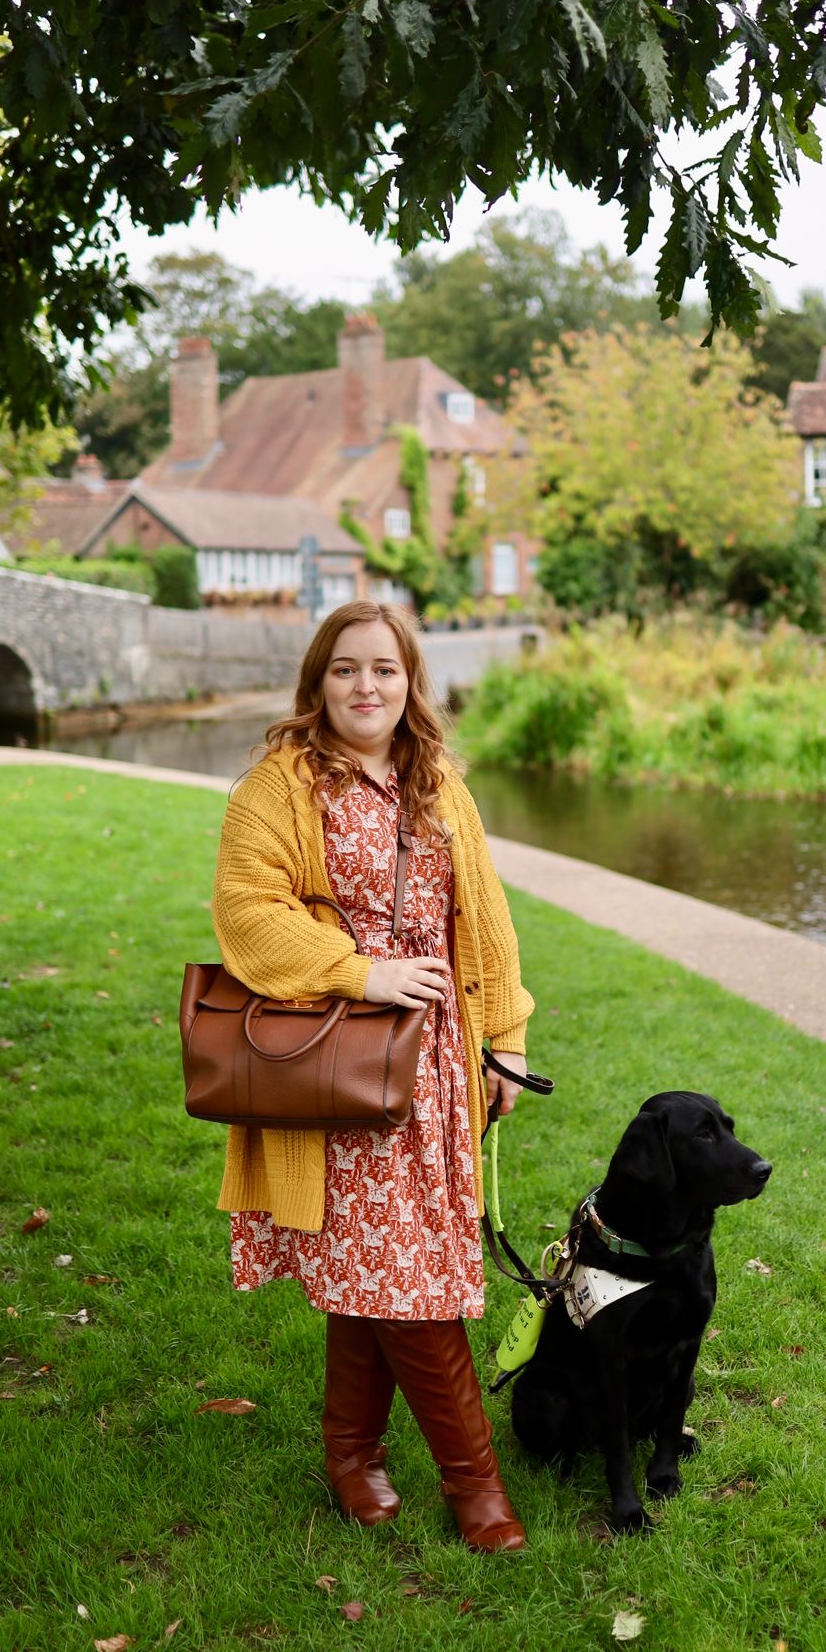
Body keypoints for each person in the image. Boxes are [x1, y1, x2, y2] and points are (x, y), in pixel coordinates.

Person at [212, 600, 533, 1553]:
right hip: (331, 1065)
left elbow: (487, 920)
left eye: (384, 671)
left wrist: (505, 1038)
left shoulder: (440, 784)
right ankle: (477, 1487)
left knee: (385, 1266)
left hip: (431, 1066)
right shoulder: (279, 788)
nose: (366, 687)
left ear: (410, 684)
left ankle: (350, 1455)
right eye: (346, 670)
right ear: (317, 681)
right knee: (407, 1274)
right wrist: (364, 970)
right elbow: (246, 912)